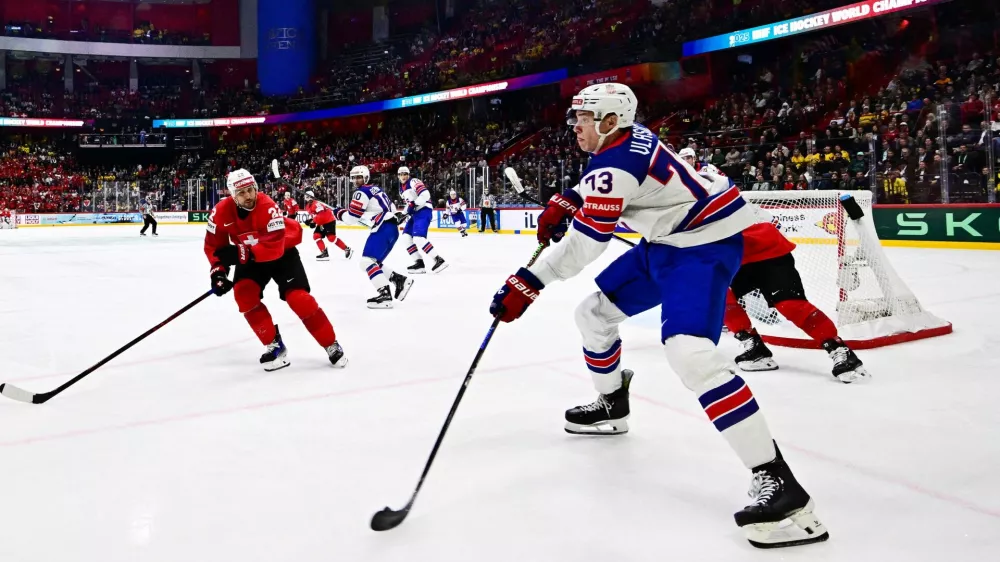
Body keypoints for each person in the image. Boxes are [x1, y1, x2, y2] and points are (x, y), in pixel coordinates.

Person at [488, 84, 827, 549]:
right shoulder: (627, 138)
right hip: (670, 241)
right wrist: (569, 198)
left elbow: (586, 244)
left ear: (610, 121)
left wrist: (530, 280)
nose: (575, 126)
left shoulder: (613, 164)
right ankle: (612, 405)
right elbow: (611, 181)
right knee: (594, 315)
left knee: (691, 353)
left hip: (703, 246)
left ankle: (783, 488)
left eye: (583, 118)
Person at [204, 169, 347, 371]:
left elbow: (274, 247)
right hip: (251, 256)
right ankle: (274, 345)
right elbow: (213, 246)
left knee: (300, 299)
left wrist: (242, 253)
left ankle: (331, 343)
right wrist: (218, 272)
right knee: (244, 295)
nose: (248, 196)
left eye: (250, 190)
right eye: (241, 193)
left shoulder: (267, 206)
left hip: (282, 253)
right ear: (232, 195)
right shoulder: (219, 212)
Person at [723, 211, 870, 383]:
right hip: (727, 255)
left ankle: (839, 350)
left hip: (768, 250)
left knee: (790, 305)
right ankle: (754, 348)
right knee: (718, 300)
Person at [333, 165, 413, 308]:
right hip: (391, 229)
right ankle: (399, 280)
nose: (356, 180)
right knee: (373, 263)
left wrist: (339, 213)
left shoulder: (361, 192)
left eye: (359, 177)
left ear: (366, 177)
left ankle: (385, 295)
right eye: (354, 178)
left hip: (383, 228)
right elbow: (392, 208)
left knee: (366, 261)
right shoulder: (376, 189)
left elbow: (351, 219)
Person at [397, 166, 447, 274]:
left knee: (418, 238)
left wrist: (413, 205)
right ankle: (419, 264)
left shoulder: (413, 181)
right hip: (415, 214)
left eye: (405, 174)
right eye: (401, 174)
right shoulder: (401, 189)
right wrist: (403, 214)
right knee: (406, 238)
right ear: (398, 176)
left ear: (408, 175)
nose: (403, 176)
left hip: (424, 210)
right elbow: (409, 204)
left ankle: (438, 260)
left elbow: (425, 194)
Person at [304, 190, 352, 260]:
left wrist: (313, 221)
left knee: (331, 238)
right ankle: (324, 252)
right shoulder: (307, 207)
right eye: (307, 197)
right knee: (316, 236)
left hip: (329, 220)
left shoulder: (317, 204)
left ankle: (346, 249)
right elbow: (315, 216)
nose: (308, 199)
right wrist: (311, 221)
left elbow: (321, 214)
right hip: (321, 223)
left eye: (309, 197)